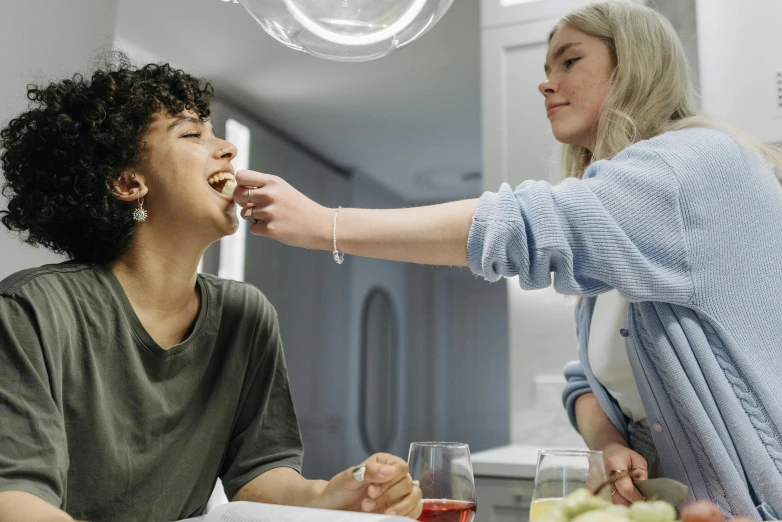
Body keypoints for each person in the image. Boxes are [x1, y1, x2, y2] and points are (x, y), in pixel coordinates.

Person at [231, 2, 782, 519]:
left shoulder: (698, 164)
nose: (546, 82)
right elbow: (585, 381)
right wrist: (610, 441)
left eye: (570, 60)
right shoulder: (626, 224)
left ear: (636, 66)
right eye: (546, 66)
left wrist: (324, 223)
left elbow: (520, 224)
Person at [0, 58, 422, 522]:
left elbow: (258, 475)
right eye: (191, 134)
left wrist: (328, 497)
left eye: (214, 132)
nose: (225, 149)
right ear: (127, 183)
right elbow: (16, 500)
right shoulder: (32, 309)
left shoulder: (245, 314)